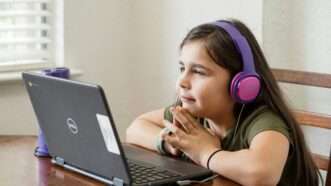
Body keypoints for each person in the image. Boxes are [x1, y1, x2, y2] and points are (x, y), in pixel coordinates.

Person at [126, 19, 321, 186]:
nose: (182, 82)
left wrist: (204, 152)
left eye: (199, 72)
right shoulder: (192, 114)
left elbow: (262, 173)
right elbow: (135, 128)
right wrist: (168, 143)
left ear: (242, 84)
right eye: (182, 68)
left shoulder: (262, 122)